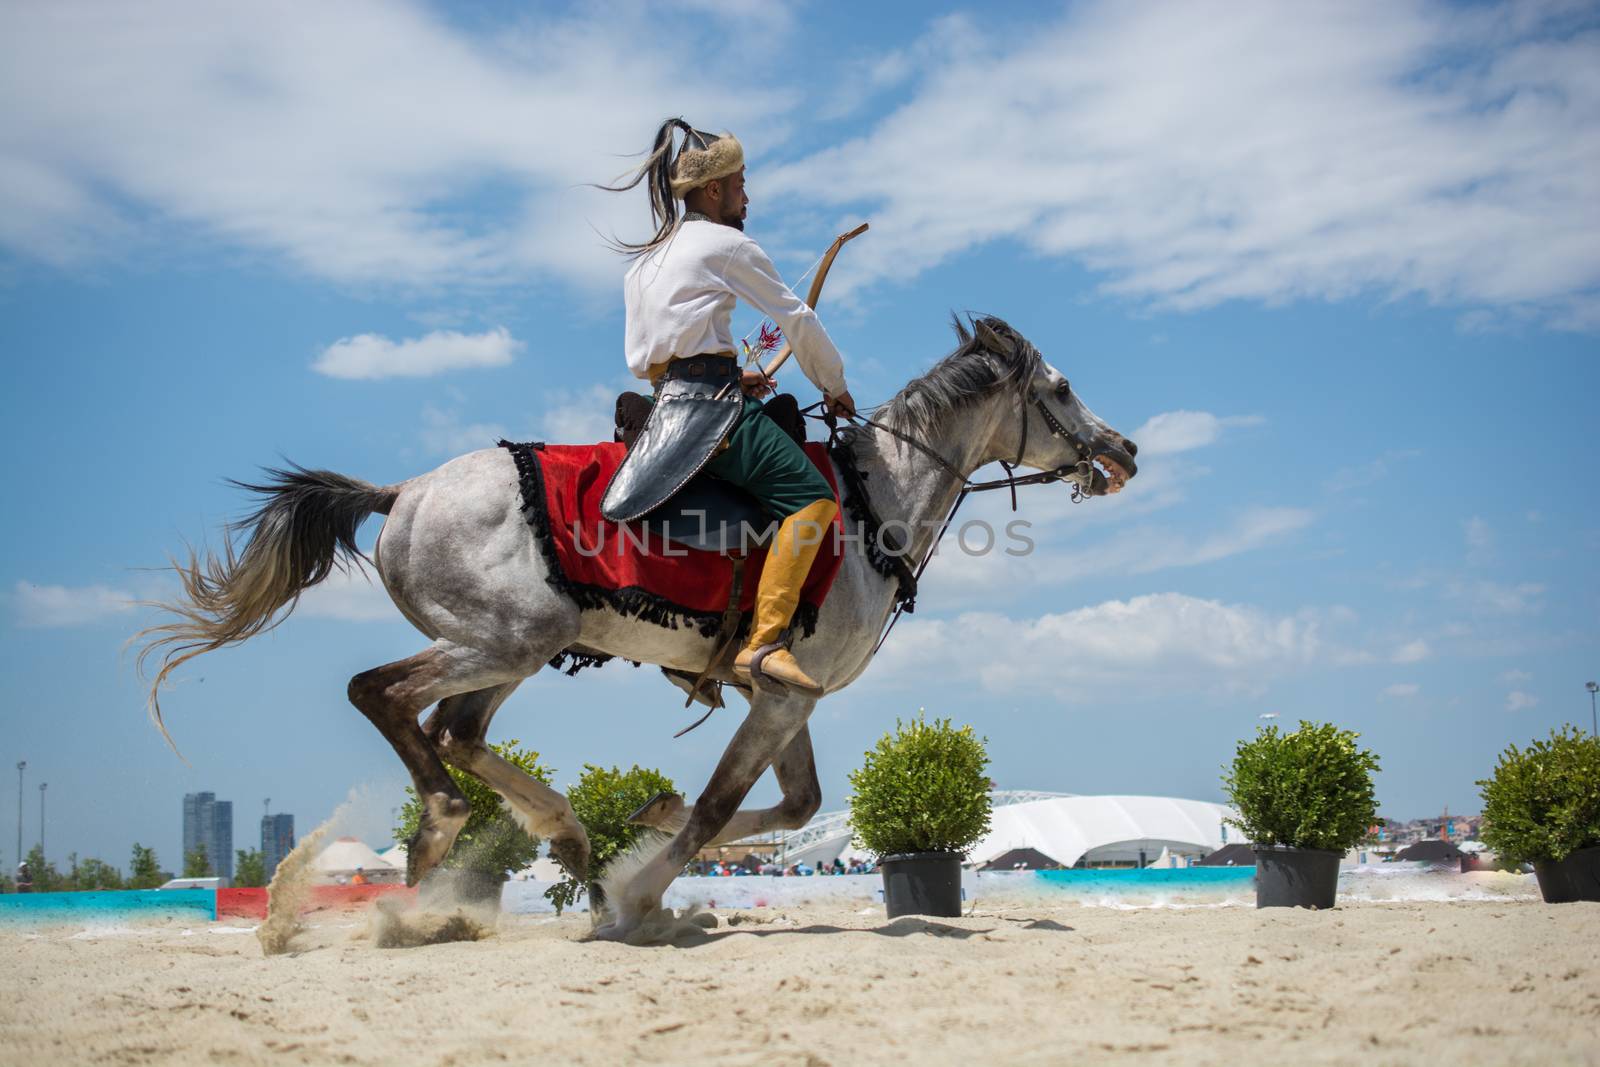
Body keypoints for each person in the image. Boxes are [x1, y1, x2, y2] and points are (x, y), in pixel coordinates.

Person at [602, 118, 856, 694]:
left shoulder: (645, 260)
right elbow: (798, 319)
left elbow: (651, 358)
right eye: (741, 184)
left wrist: (730, 368)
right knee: (814, 503)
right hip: (712, 413)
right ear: (713, 191)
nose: (748, 196)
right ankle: (765, 643)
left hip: (665, 402)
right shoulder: (727, 243)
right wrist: (834, 385)